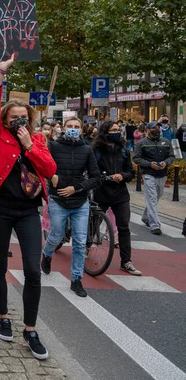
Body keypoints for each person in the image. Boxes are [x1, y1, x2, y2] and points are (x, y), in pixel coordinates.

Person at [0, 55, 56, 361]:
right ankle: (3, 316)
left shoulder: (37, 140)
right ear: (6, 119)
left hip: (27, 211)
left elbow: (49, 169)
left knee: (33, 271)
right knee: (0, 264)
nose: (19, 122)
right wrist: (0, 72)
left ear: (31, 120)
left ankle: (30, 329)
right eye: (14, 118)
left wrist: (29, 145)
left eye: (24, 118)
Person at [42, 117, 103, 297]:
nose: (73, 129)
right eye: (70, 126)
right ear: (63, 128)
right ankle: (47, 254)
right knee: (56, 235)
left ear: (82, 130)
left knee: (79, 242)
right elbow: (43, 166)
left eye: (76, 127)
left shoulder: (86, 149)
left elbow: (96, 177)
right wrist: (51, 176)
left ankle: (76, 279)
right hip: (58, 199)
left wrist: (76, 188)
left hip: (80, 201)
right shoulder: (53, 146)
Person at [92, 121, 141, 275]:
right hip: (102, 192)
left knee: (124, 227)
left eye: (118, 130)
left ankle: (126, 261)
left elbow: (131, 172)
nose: (117, 132)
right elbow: (92, 171)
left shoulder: (124, 151)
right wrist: (105, 178)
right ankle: (86, 245)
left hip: (120, 194)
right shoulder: (96, 150)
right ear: (105, 132)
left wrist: (123, 176)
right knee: (94, 221)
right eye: (113, 130)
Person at [133, 121, 175, 235]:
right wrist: (149, 164)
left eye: (158, 127)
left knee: (156, 197)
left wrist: (166, 163)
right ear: (147, 129)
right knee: (151, 198)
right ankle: (155, 225)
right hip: (148, 174)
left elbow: (171, 156)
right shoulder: (142, 143)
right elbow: (136, 158)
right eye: (153, 128)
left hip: (162, 174)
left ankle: (146, 216)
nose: (156, 130)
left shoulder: (166, 142)